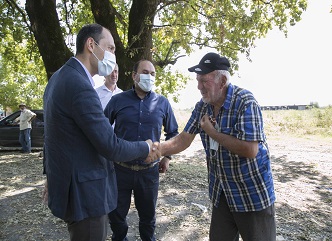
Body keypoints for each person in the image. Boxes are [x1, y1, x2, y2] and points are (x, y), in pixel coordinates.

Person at [43, 23, 160, 241]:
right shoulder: (80, 85)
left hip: (71, 186)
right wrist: (146, 146)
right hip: (85, 195)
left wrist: (51, 174)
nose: (114, 56)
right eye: (111, 48)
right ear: (91, 44)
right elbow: (110, 145)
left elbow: (53, 136)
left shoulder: (58, 77)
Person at [160, 52, 276, 241]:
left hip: (251, 195)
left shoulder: (245, 102)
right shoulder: (202, 106)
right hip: (222, 193)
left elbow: (250, 149)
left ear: (222, 80)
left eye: (204, 81)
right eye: (198, 81)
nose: (199, 86)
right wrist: (158, 149)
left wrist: (213, 133)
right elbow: (183, 139)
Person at [104, 60, 179, 241]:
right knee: (116, 215)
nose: (150, 76)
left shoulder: (162, 103)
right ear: (134, 75)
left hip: (149, 172)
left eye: (153, 74)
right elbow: (103, 129)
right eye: (145, 72)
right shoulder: (117, 101)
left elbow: (173, 132)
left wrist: (167, 157)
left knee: (148, 217)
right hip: (120, 170)